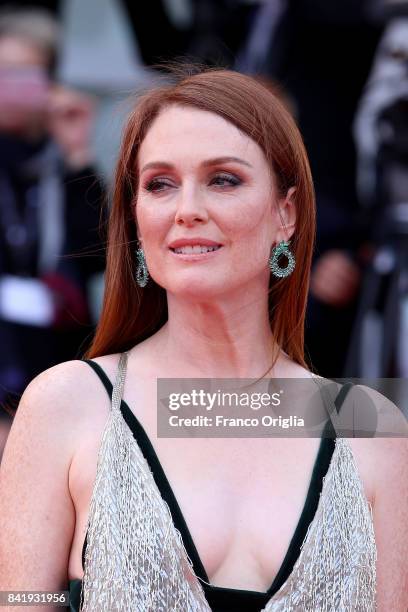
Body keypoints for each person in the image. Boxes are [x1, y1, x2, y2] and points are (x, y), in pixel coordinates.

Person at [0, 68, 407, 612]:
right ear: (138, 219)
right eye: (160, 184)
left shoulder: (371, 429)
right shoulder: (66, 404)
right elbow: (21, 600)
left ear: (285, 214)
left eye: (223, 179)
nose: (186, 208)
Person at [0, 7, 106, 417]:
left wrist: (78, 152)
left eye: (26, 75)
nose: (13, 88)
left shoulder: (59, 161)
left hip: (58, 367)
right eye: (3, 73)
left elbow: (99, 255)